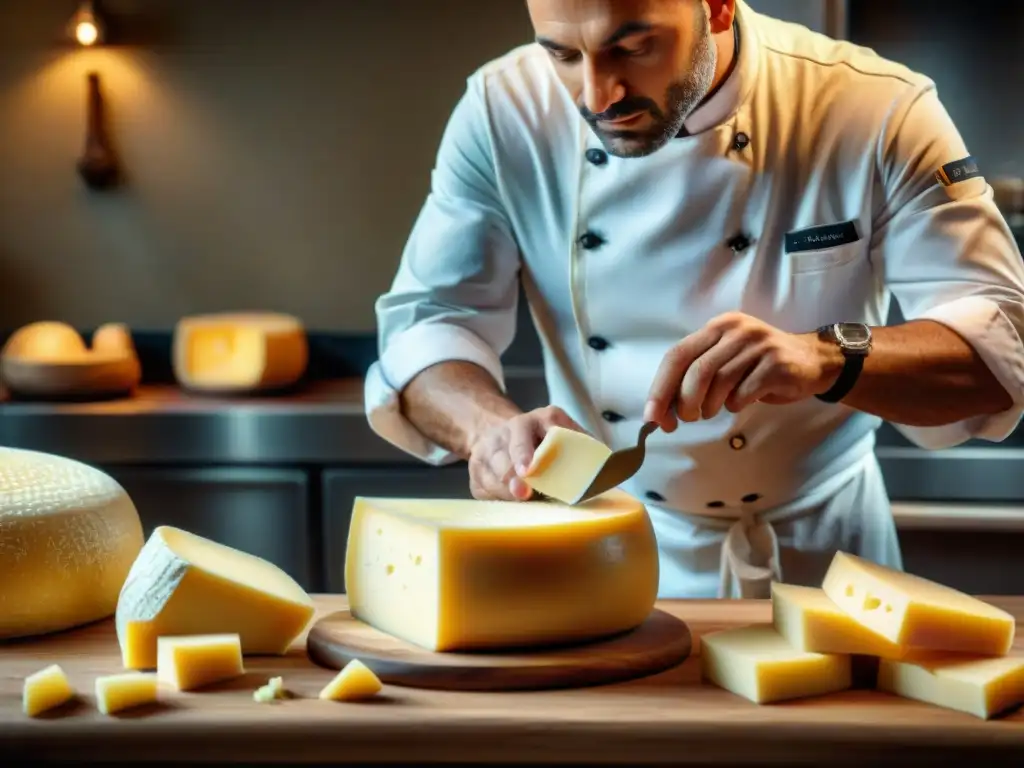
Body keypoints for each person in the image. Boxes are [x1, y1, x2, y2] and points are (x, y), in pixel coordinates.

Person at [363, 0, 1024, 599]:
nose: (597, 95)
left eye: (633, 46)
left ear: (715, 8)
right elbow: (427, 326)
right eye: (562, 53)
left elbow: (1000, 348)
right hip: (601, 551)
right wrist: (490, 431)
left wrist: (825, 358)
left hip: (832, 561)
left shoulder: (877, 107)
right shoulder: (501, 111)